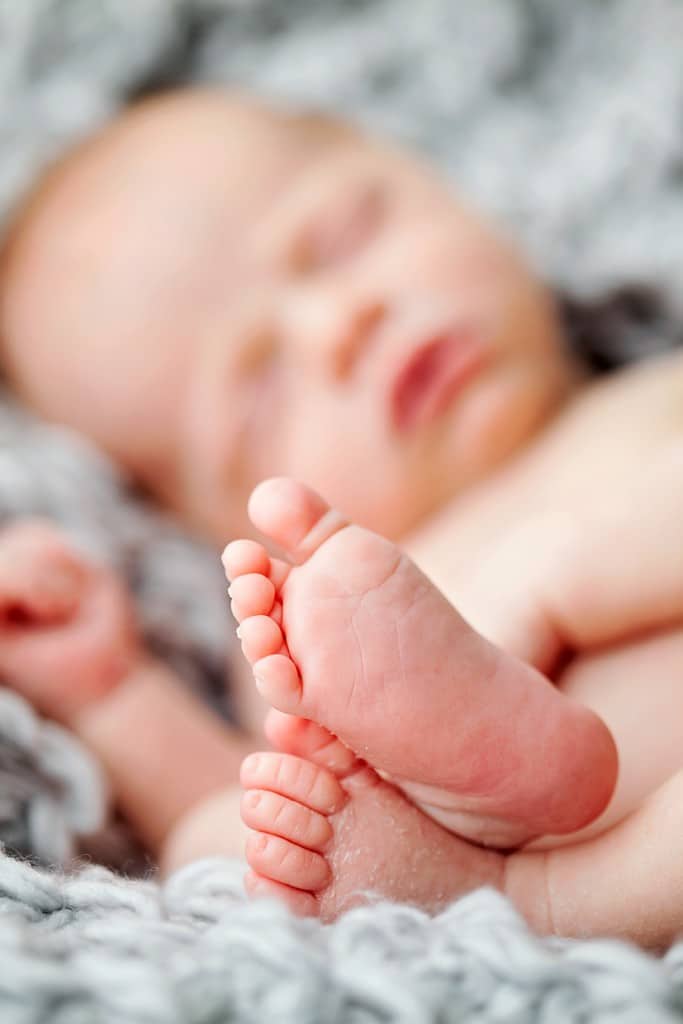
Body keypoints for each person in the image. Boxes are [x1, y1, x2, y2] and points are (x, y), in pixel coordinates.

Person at [0, 87, 681, 946]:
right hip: (568, 882)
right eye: (261, 394)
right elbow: (271, 827)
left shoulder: (650, 400)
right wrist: (114, 694)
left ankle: (546, 893)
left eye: (339, 241)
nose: (340, 325)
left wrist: (547, 589)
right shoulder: (333, 633)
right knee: (236, 837)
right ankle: (518, 891)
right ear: (210, 520)